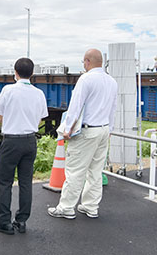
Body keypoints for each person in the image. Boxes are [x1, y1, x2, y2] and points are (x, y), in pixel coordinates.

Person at [48, 49, 118, 219]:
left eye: (83, 62)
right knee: (95, 171)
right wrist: (110, 129)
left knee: (75, 171)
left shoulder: (86, 79)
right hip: (103, 129)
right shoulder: (111, 81)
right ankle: (90, 206)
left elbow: (76, 106)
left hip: (87, 131)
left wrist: (67, 129)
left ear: (87, 61)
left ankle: (66, 208)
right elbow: (113, 108)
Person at [0, 57, 48, 235]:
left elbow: (0, 116)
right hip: (30, 140)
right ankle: (22, 220)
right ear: (32, 74)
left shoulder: (8, 90)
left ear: (15, 72)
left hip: (11, 141)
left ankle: (4, 222)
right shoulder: (39, 94)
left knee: (4, 182)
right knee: (25, 182)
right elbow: (40, 119)